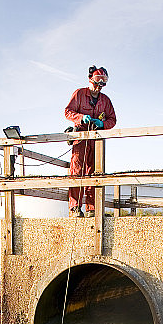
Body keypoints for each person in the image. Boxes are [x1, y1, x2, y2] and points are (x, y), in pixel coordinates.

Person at [64, 65, 117, 217]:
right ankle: (75, 207)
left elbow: (112, 120)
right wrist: (81, 118)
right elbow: (68, 111)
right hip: (80, 138)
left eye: (104, 81)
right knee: (77, 170)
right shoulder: (79, 94)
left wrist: (103, 124)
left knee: (94, 172)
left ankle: (92, 209)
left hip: (96, 140)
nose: (100, 85)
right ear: (90, 79)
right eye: (98, 80)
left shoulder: (105, 101)